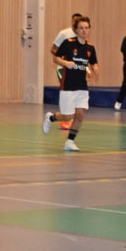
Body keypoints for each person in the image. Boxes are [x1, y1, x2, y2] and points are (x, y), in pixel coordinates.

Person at [42, 16, 98, 152]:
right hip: (68, 85)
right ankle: (51, 118)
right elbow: (55, 58)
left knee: (80, 115)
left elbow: (93, 62)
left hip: (82, 87)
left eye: (86, 28)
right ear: (76, 30)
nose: (84, 31)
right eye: (81, 28)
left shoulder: (90, 48)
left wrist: (95, 69)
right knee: (68, 116)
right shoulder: (68, 43)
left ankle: (70, 141)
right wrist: (66, 63)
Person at [50, 13, 83, 131]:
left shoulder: (81, 36)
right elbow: (53, 49)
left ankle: (71, 120)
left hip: (77, 69)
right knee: (68, 93)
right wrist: (64, 58)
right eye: (75, 21)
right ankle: (65, 120)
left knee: (77, 94)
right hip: (63, 68)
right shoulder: (64, 34)